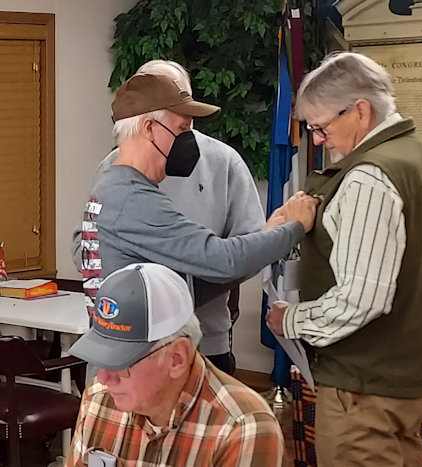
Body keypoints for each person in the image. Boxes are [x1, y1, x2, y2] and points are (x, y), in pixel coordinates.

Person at [266, 51, 422, 466]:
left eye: (320, 126)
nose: (316, 139)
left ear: (361, 111)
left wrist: (290, 320)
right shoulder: (418, 158)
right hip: (405, 381)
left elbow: (362, 298)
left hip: (363, 392)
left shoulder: (368, 177)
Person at [79, 70, 317, 336]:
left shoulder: (113, 186)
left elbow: (184, 290)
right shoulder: (132, 200)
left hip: (132, 361)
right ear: (149, 128)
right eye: (182, 129)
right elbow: (223, 260)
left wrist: (266, 239)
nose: (190, 140)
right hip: (135, 370)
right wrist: (295, 227)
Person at [73, 60, 266, 374]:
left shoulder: (223, 160)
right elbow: (85, 241)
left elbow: (250, 246)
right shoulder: (114, 165)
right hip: (130, 342)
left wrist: (188, 291)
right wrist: (135, 286)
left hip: (206, 339)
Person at [66, 262, 285, 466]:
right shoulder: (98, 398)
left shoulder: (242, 429)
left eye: (122, 363)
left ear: (177, 358)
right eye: (101, 358)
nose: (103, 378)